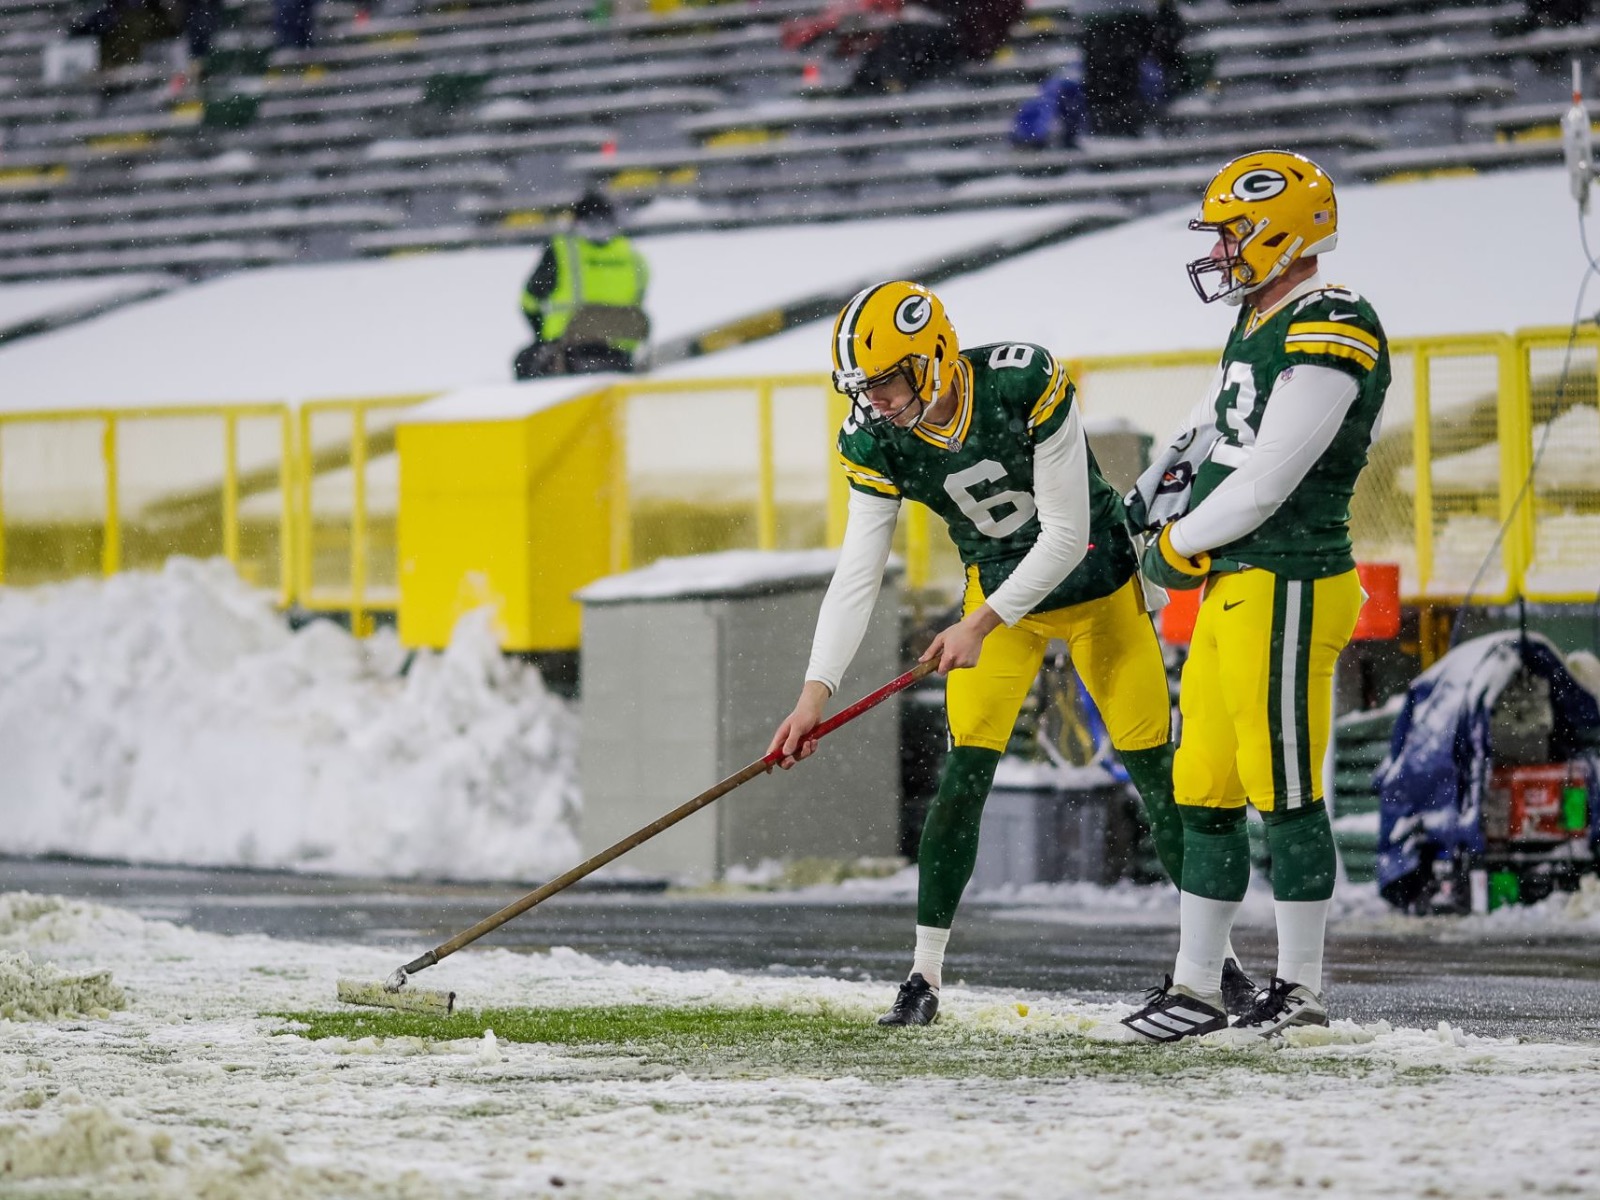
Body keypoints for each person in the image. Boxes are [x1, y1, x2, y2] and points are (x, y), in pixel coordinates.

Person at [766, 281, 1247, 1026]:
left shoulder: (1023, 382)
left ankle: (1216, 965)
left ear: (932, 358)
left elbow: (1063, 537)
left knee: (1158, 779)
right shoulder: (876, 441)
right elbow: (858, 574)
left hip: (1096, 589)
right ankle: (923, 975)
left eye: (887, 381)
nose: (877, 403)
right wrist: (812, 696)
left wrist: (977, 625)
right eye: (866, 388)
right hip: (1001, 607)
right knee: (962, 778)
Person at [1119, 150, 1391, 1042]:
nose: (1224, 249)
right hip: (1240, 583)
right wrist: (1153, 488)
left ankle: (1302, 992)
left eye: (1233, 230)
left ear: (1283, 226)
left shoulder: (1332, 318)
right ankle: (1198, 985)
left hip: (1290, 576)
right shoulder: (1259, 315)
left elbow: (1271, 476)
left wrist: (1174, 545)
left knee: (1284, 789)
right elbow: (1209, 430)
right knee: (1204, 787)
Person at [515, 190, 650, 381]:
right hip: (620, 355)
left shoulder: (562, 251)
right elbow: (638, 299)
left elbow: (529, 301)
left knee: (524, 361)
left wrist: (541, 335)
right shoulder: (633, 256)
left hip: (567, 354)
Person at [847, 0, 1024, 96]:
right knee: (903, 36)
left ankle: (878, 86)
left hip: (963, 43)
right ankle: (879, 86)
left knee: (904, 36)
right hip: (955, 39)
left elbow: (982, 27)